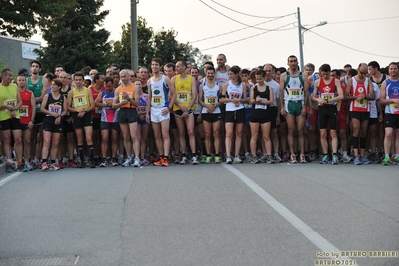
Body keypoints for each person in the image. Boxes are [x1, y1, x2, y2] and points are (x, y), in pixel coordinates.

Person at [311, 64, 344, 165]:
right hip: (322, 109)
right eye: (323, 74)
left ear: (330, 72)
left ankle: (334, 155)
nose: (325, 76)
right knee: (323, 133)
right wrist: (318, 99)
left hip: (332, 108)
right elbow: (312, 97)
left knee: (333, 133)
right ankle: (325, 154)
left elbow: (341, 96)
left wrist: (330, 100)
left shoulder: (335, 81)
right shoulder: (318, 82)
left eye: (326, 74)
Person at [279, 55, 309, 163]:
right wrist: (282, 107)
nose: (293, 63)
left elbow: (306, 92)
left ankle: (302, 154)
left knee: (301, 130)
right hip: (289, 104)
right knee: (291, 129)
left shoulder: (303, 75)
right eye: (291, 61)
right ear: (288, 63)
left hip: (300, 103)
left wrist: (305, 106)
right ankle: (292, 154)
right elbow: (281, 92)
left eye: (295, 61)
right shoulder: (283, 76)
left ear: (297, 63)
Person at [146, 58, 176, 166]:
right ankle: (161, 156)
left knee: (165, 134)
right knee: (157, 135)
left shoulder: (165, 79)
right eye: (153, 64)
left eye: (156, 65)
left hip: (163, 109)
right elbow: (149, 97)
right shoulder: (149, 81)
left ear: (160, 66)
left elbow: (174, 94)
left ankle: (166, 158)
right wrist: (147, 113)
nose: (154, 66)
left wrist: (169, 107)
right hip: (154, 110)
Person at [345, 63, 375, 165]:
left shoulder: (368, 81)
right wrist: (355, 97)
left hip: (365, 109)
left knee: (363, 131)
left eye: (365, 73)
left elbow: (373, 96)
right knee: (356, 131)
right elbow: (345, 96)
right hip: (354, 109)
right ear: (357, 69)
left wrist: (365, 96)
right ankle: (356, 155)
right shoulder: (351, 80)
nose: (363, 75)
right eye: (361, 72)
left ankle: (362, 155)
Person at [112, 69, 141, 167]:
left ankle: (137, 157)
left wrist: (128, 99)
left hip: (131, 111)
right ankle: (129, 157)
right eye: (121, 77)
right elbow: (113, 105)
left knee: (134, 136)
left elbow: (137, 103)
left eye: (124, 76)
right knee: (125, 136)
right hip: (122, 111)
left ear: (129, 76)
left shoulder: (134, 88)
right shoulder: (118, 89)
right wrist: (121, 103)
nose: (123, 78)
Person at [67, 72, 96, 168]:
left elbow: (92, 105)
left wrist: (85, 110)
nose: (78, 82)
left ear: (83, 81)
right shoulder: (71, 92)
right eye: (76, 80)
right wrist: (77, 110)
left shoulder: (88, 91)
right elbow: (68, 107)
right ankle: (82, 160)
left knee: (88, 137)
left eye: (80, 80)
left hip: (86, 114)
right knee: (79, 138)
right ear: (74, 81)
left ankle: (92, 160)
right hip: (77, 115)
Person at [172, 60, 198, 164]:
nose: (176, 68)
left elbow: (194, 95)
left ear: (184, 67)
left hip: (189, 109)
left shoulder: (191, 79)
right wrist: (181, 106)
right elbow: (172, 95)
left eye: (178, 66)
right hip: (178, 108)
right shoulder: (174, 79)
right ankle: (183, 156)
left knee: (191, 132)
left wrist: (188, 108)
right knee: (181, 132)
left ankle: (194, 155)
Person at [220, 65, 249, 164]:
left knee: (239, 133)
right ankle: (228, 155)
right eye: (229, 74)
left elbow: (245, 99)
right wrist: (232, 100)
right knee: (229, 133)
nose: (230, 76)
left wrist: (239, 100)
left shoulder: (243, 85)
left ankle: (237, 155)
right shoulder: (226, 84)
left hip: (240, 109)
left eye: (231, 74)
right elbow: (222, 99)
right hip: (229, 110)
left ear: (237, 74)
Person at [0, 69, 26, 172]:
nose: (11, 78)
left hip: (15, 116)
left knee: (18, 139)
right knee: (7, 140)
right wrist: (5, 106)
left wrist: (14, 109)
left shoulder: (14, 86)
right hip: (3, 117)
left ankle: (20, 162)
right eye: (9, 76)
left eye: (11, 75)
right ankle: (9, 162)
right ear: (3, 76)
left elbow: (20, 102)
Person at [40, 79, 68, 170]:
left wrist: (59, 115)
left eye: (54, 85)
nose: (52, 86)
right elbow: (42, 109)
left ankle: (53, 162)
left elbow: (65, 111)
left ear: (59, 87)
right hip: (48, 120)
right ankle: (44, 162)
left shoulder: (63, 98)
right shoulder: (47, 96)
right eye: (52, 85)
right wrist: (52, 113)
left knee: (55, 143)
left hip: (58, 121)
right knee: (47, 141)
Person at [248, 70, 274, 164]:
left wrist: (262, 101)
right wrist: (256, 100)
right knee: (254, 136)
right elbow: (251, 100)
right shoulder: (253, 88)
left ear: (264, 78)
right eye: (257, 79)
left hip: (265, 114)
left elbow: (271, 101)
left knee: (266, 136)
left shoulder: (269, 88)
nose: (258, 80)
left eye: (260, 79)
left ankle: (269, 155)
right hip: (255, 114)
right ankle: (254, 156)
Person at [198, 66, 222, 163]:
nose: (210, 75)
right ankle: (208, 155)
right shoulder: (202, 86)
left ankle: (216, 155)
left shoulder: (219, 85)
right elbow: (200, 100)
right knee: (207, 134)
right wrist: (208, 106)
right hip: (206, 111)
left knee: (216, 134)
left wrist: (214, 106)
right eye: (209, 73)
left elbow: (222, 99)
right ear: (206, 74)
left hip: (216, 111)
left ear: (214, 74)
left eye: (212, 73)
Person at [95, 77, 119, 167]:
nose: (108, 88)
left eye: (109, 86)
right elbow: (96, 103)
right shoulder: (102, 93)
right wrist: (105, 105)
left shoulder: (117, 92)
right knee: (104, 138)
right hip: (104, 119)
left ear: (113, 84)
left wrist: (115, 105)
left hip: (115, 119)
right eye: (106, 86)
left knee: (114, 138)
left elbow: (121, 102)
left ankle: (113, 158)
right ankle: (104, 158)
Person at [378, 62, 399, 165]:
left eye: (395, 69)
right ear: (388, 70)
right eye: (391, 69)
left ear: (398, 70)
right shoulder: (385, 83)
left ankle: (397, 156)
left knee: (398, 134)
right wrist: (393, 101)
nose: (393, 71)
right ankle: (386, 156)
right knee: (388, 134)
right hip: (389, 112)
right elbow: (381, 100)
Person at [17, 74, 36, 170]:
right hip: (16, 120)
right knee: (18, 141)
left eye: (23, 80)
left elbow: (33, 107)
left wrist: (32, 120)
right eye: (19, 80)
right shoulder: (14, 93)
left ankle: (27, 160)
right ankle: (19, 160)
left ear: (26, 81)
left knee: (27, 141)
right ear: (17, 81)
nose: (21, 82)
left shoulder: (29, 93)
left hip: (27, 120)